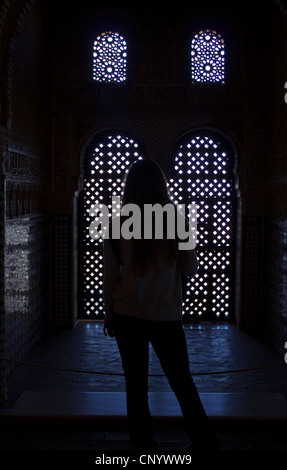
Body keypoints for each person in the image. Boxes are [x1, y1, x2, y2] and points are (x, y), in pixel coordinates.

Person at [103, 159, 219, 452]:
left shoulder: (116, 226)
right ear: (161, 186)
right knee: (182, 382)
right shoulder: (176, 222)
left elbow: (109, 278)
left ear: (129, 187)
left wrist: (108, 313)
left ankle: (143, 446)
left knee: (136, 385)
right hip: (166, 316)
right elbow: (191, 268)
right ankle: (205, 443)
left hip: (127, 314)